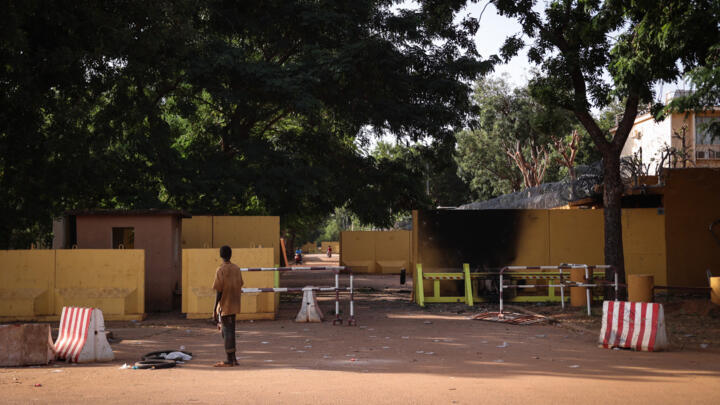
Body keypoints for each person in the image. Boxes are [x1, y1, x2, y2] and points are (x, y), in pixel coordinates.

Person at [212, 245, 244, 367]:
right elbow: (240, 283)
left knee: (227, 331)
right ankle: (233, 358)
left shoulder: (220, 270)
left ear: (221, 255)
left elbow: (219, 290)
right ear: (230, 255)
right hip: (235, 302)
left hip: (225, 304)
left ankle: (230, 359)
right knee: (230, 330)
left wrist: (215, 308)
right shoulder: (236, 268)